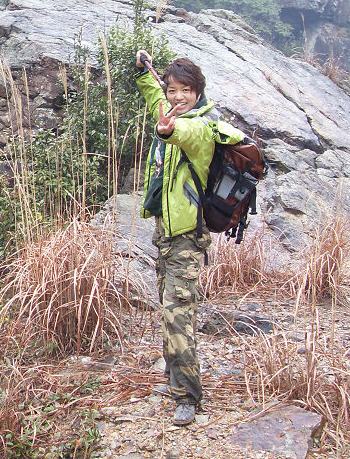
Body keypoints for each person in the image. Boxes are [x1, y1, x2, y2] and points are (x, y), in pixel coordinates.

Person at [135, 50, 215, 426]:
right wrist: (142, 71)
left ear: (198, 92)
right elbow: (156, 95)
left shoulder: (201, 127)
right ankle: (173, 376)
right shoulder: (170, 107)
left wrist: (168, 130)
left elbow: (183, 133)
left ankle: (187, 396)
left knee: (178, 315)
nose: (178, 97)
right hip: (164, 235)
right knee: (169, 312)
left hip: (186, 239)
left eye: (186, 90)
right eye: (173, 90)